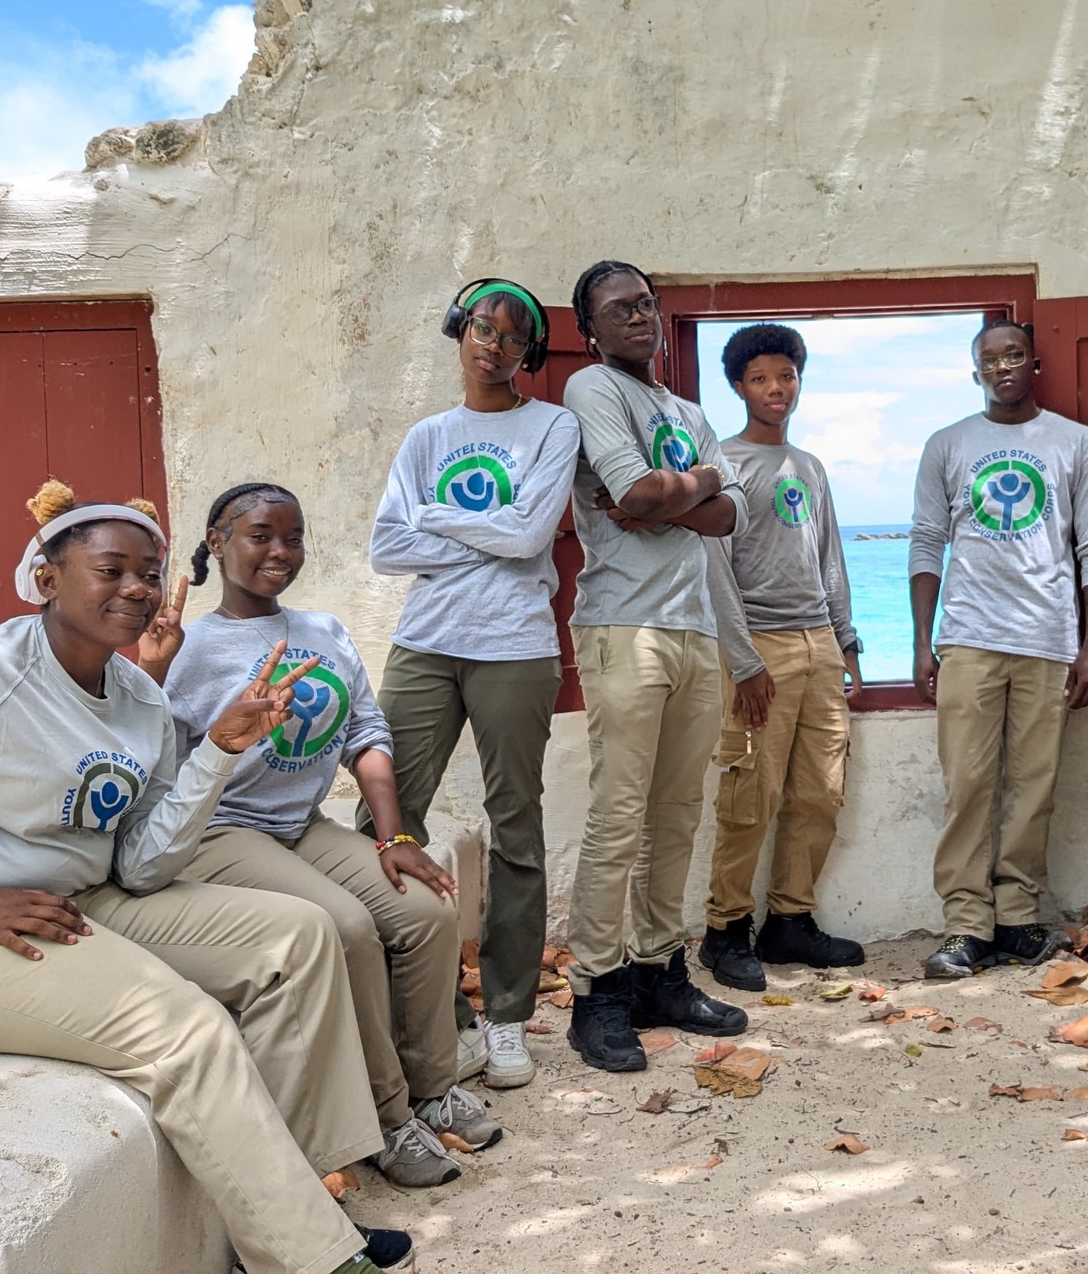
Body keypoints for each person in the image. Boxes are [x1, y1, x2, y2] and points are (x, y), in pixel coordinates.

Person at [0, 483, 415, 1274]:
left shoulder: (134, 697)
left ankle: (287, 1207)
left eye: (150, 572)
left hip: (80, 903)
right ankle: (316, 1260)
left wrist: (219, 751)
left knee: (299, 935)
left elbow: (145, 863)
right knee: (186, 1029)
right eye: (111, 569)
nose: (136, 589)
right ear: (46, 577)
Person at [155, 481, 501, 1192]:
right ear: (217, 544)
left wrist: (393, 832)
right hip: (221, 830)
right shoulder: (187, 649)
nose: (280, 551)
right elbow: (154, 754)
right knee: (345, 926)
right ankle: (385, 1117)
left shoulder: (325, 631)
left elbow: (366, 734)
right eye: (259, 535)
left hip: (298, 825)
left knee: (426, 909)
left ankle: (431, 1087)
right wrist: (150, 668)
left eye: (293, 536)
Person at [367, 278, 579, 1091]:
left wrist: (435, 519)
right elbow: (386, 549)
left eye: (512, 334)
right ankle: (429, 1013)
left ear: (529, 351)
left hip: (514, 646)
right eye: (481, 327)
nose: (493, 343)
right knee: (385, 817)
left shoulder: (551, 426)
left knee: (514, 826)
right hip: (425, 644)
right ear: (459, 333)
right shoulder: (428, 436)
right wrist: (482, 537)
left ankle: (507, 1018)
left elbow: (531, 537)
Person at [560, 260, 751, 1072]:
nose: (637, 317)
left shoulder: (688, 410)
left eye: (645, 303)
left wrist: (681, 489)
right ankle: (595, 993)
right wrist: (676, 494)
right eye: (618, 309)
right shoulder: (593, 391)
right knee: (617, 818)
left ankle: (658, 971)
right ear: (590, 329)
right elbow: (631, 495)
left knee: (677, 814)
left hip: (695, 630)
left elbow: (728, 515)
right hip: (623, 626)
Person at [910, 319, 1088, 980]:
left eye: (1013, 355)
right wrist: (922, 640)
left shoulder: (1076, 443)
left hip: (1047, 642)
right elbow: (925, 541)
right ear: (976, 372)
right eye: (988, 359)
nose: (1002, 366)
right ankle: (966, 927)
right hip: (969, 639)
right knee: (968, 785)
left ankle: (1017, 919)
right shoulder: (948, 444)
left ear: (1033, 362)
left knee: (1034, 787)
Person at [696, 323, 866, 991]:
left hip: (817, 645)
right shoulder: (724, 467)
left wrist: (845, 641)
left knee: (820, 793)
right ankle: (724, 930)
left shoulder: (812, 467)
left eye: (786, 376)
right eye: (761, 378)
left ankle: (790, 920)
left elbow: (829, 557)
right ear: (738, 386)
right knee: (748, 797)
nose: (776, 389)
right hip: (757, 649)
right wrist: (743, 661)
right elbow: (716, 571)